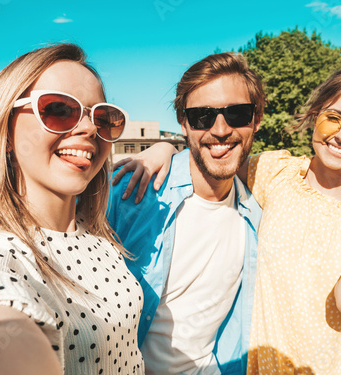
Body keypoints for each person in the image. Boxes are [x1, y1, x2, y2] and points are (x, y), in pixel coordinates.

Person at [114, 65, 341, 374]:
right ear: (315, 116)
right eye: (334, 118)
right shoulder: (276, 172)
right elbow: (215, 153)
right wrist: (163, 149)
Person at [0, 43, 144, 375]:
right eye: (60, 110)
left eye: (103, 118)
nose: (90, 129)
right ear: (6, 131)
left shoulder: (101, 239)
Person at [108, 52, 264, 374]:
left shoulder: (259, 212)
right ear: (184, 124)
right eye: (202, 116)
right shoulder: (131, 194)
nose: (220, 129)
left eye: (236, 113)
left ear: (256, 120)